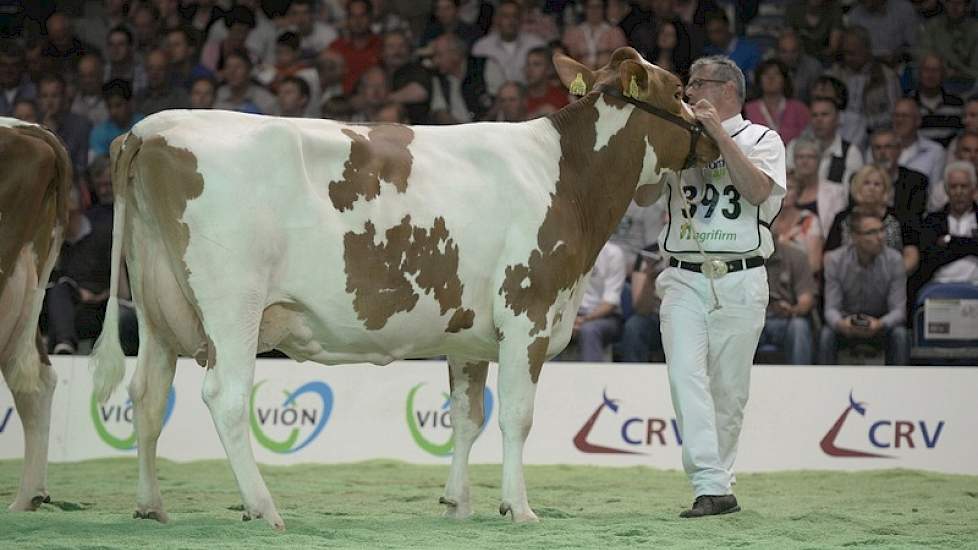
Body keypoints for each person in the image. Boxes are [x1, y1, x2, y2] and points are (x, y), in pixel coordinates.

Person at [654, 56, 786, 517]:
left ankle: (719, 484)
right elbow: (643, 196)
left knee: (729, 391)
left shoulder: (764, 139)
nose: (687, 93)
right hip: (683, 276)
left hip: (742, 276)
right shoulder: (680, 136)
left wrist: (719, 134)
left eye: (695, 85)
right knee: (685, 377)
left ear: (726, 89)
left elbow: (756, 192)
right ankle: (709, 483)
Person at [819, 210, 910, 365]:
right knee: (827, 334)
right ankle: (823, 385)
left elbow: (899, 311)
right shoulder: (835, 260)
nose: (880, 237)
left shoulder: (895, 260)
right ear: (855, 237)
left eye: (882, 230)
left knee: (900, 335)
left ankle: (899, 386)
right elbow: (831, 309)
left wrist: (880, 324)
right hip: (847, 323)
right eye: (872, 232)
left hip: (880, 323)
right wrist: (842, 324)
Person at [825, 165, 920, 273]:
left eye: (877, 184)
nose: (871, 188)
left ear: (885, 189)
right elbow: (829, 257)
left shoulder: (901, 217)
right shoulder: (842, 218)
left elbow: (911, 255)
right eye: (866, 183)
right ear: (857, 187)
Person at [757, 237, 816, 365]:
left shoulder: (796, 256)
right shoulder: (744, 259)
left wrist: (791, 310)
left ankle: (801, 379)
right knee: (736, 326)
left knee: (799, 326)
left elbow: (806, 300)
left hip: (784, 321)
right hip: (753, 321)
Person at [744, 58, 810, 146]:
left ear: (784, 80)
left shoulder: (799, 109)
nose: (771, 78)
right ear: (759, 80)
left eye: (776, 74)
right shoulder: (747, 109)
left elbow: (808, 139)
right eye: (766, 74)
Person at [619, 244, 667, 363]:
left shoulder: (693, 253)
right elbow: (641, 309)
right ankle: (632, 376)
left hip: (685, 315)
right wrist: (649, 280)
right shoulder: (649, 254)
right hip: (655, 316)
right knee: (634, 326)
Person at [89, 79, 144, 159]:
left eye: (118, 105)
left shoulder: (144, 126)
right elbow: (99, 163)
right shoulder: (98, 133)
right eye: (109, 106)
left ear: (131, 103)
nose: (113, 112)